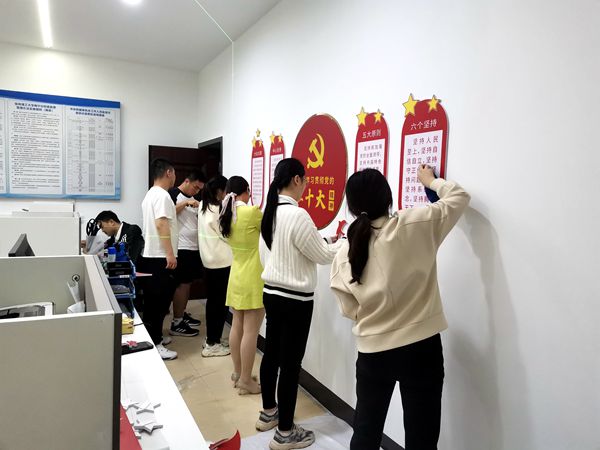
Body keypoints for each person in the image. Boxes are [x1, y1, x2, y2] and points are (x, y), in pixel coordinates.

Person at [329, 166, 470, 450]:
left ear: (352, 207)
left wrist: (374, 315)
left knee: (366, 431)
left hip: (373, 351)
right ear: (388, 197)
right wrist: (431, 181)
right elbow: (459, 197)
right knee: (422, 436)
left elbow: (347, 306)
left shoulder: (346, 250)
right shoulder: (415, 223)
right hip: (422, 347)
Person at [257, 158, 342, 450]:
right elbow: (323, 256)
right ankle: (285, 433)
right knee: (291, 365)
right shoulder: (298, 215)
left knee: (271, 355)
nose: (306, 185)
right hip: (295, 300)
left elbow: (293, 248)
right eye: (305, 180)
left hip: (272, 293)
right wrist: (344, 243)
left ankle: (268, 413)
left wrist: (326, 240)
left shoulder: (270, 212)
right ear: (296, 179)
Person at [219, 176, 264, 395]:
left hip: (236, 274)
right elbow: (271, 231)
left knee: (237, 325)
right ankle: (246, 380)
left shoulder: (225, 214)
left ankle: (238, 373)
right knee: (251, 331)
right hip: (253, 276)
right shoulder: (251, 212)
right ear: (245, 191)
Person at [136, 158, 179, 360]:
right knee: (159, 303)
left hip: (151, 255)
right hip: (160, 257)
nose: (175, 177)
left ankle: (156, 337)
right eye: (174, 173)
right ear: (168, 172)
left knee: (154, 301)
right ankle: (156, 343)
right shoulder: (162, 195)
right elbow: (161, 224)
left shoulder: (150, 194)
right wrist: (170, 253)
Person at [168, 172, 207, 337]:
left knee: (188, 284)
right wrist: (185, 203)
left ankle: (182, 314)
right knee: (182, 285)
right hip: (181, 248)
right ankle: (176, 322)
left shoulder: (194, 199)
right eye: (195, 187)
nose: (196, 191)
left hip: (193, 248)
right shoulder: (173, 194)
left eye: (199, 189)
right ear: (186, 181)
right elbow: (167, 214)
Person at [197, 175, 232, 357]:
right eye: (227, 190)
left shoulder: (204, 206)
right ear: (219, 191)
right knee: (220, 304)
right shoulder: (218, 210)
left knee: (213, 302)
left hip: (209, 262)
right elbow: (226, 235)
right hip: (221, 263)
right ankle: (213, 343)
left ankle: (212, 339)